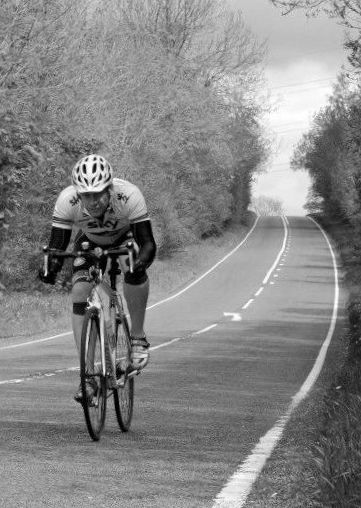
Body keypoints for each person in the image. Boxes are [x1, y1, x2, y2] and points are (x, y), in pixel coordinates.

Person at [39, 154, 156, 402]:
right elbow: (57, 247)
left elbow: (148, 244)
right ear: (78, 193)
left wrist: (140, 264)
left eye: (98, 194)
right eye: (86, 195)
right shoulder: (67, 200)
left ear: (110, 188)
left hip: (126, 238)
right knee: (80, 290)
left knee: (130, 264)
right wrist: (51, 267)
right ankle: (88, 375)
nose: (92, 201)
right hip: (90, 241)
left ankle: (137, 338)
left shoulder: (129, 196)